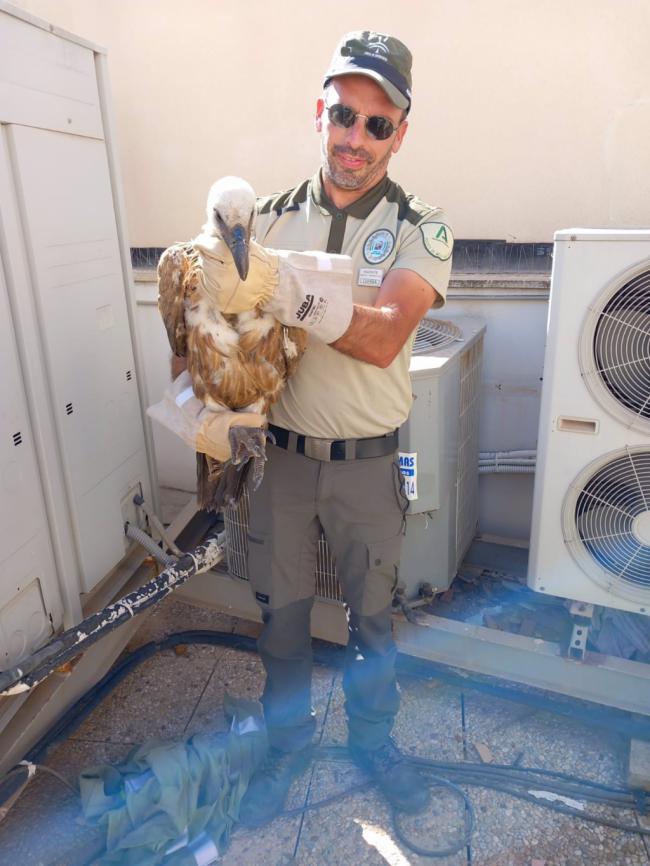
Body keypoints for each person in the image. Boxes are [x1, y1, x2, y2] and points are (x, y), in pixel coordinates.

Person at [228, 30, 455, 827]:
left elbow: (386, 333)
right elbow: (227, 327)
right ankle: (286, 747)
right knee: (282, 622)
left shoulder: (423, 226)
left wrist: (282, 289)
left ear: (399, 131)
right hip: (284, 459)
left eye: (377, 123)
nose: (354, 139)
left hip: (367, 467)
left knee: (374, 624)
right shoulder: (264, 217)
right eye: (342, 115)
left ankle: (373, 741)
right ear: (318, 113)